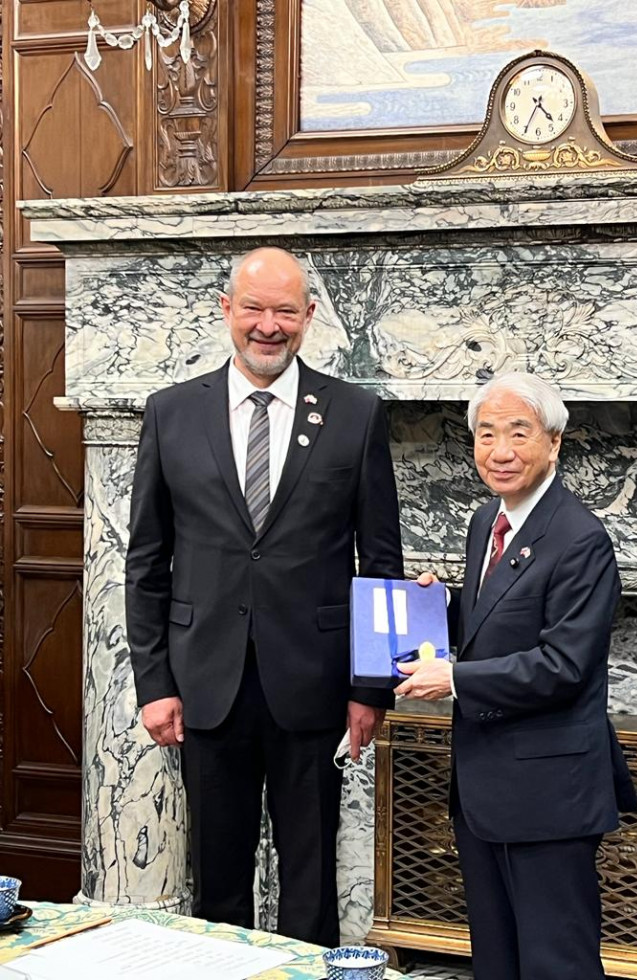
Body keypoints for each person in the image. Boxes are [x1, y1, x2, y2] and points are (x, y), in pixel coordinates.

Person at [125, 247, 403, 946]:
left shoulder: (355, 414)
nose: (268, 326)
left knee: (311, 883)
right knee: (216, 880)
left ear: (310, 317)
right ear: (227, 311)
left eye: (285, 310)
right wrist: (154, 683)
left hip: (314, 687)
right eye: (254, 308)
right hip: (203, 687)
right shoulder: (169, 414)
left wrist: (371, 686)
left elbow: (383, 562)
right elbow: (146, 562)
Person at [395, 372, 637, 980]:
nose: (500, 451)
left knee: (557, 964)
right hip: (485, 788)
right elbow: (497, 621)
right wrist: (438, 606)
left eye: (519, 433)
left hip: (549, 793)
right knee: (497, 960)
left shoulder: (581, 539)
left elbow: (563, 665)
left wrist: (454, 680)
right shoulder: (489, 521)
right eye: (486, 434)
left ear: (554, 442)